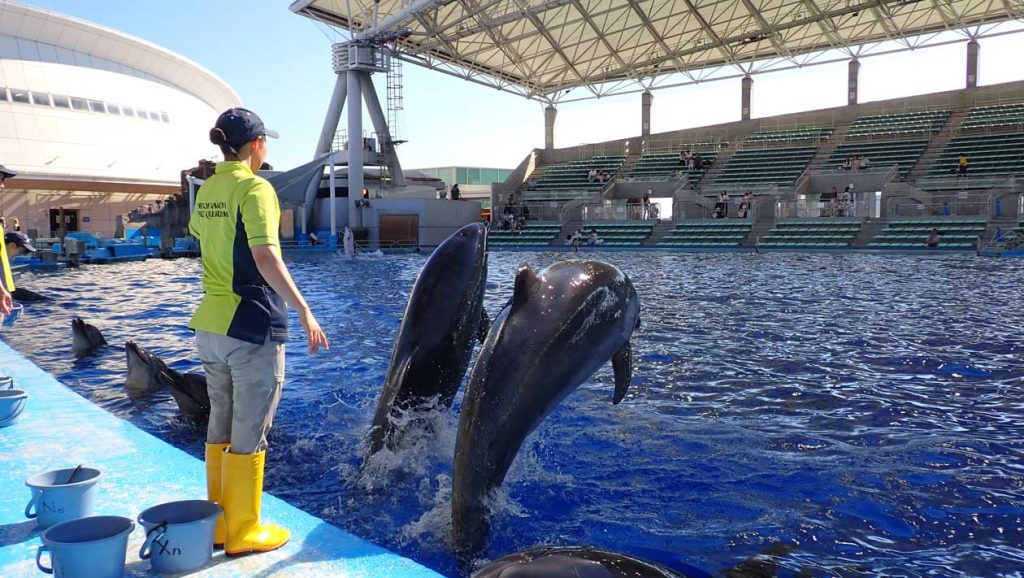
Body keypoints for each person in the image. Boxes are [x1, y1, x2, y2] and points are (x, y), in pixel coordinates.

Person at [189, 108, 329, 556]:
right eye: (265, 141)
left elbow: (203, 239)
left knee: (220, 421)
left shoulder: (207, 188)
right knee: (250, 429)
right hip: (250, 324)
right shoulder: (255, 187)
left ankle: (216, 522)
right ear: (254, 146)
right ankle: (243, 531)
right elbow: (266, 256)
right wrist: (304, 309)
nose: (267, 147)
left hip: (210, 325)